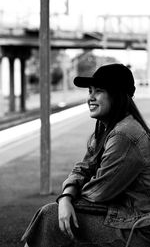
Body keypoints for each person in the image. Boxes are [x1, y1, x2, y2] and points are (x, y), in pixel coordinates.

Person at [22, 63, 150, 247]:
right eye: (89, 91)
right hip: (122, 217)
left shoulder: (125, 135)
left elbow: (98, 192)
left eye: (98, 91)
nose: (90, 97)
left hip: (137, 228)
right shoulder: (108, 128)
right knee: (54, 214)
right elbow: (83, 168)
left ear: (117, 94)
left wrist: (66, 200)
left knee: (51, 216)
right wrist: (66, 196)